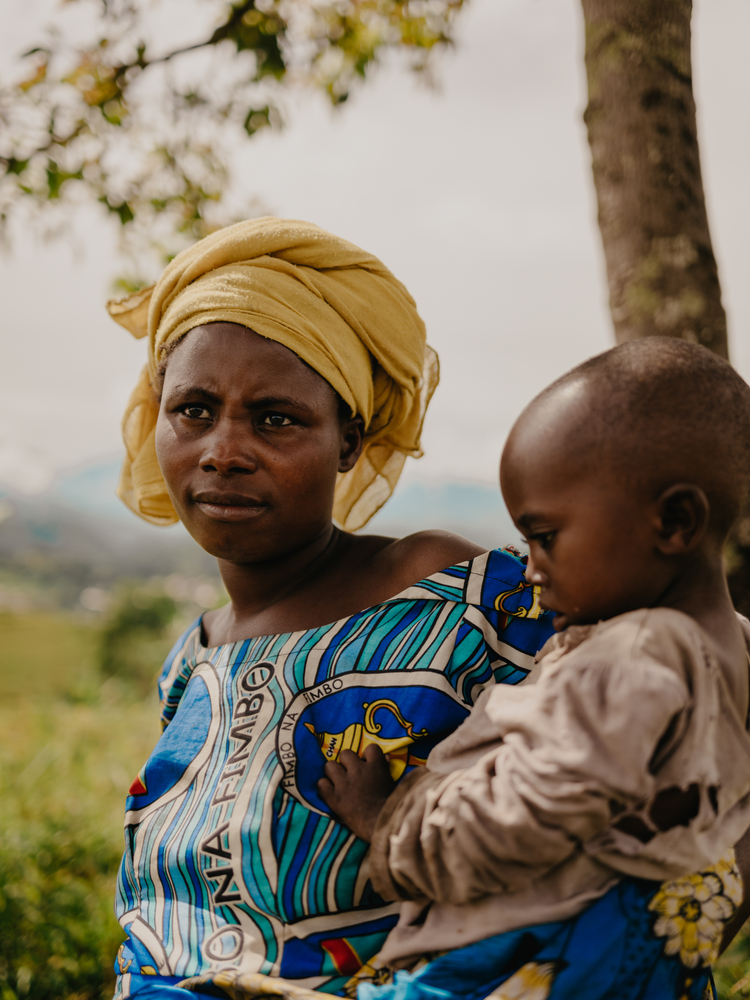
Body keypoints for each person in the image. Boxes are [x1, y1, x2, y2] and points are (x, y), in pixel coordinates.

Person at [106, 218, 555, 1000]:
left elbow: (669, 703)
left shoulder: (443, 590)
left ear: (347, 441)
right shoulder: (193, 661)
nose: (223, 450)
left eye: (276, 418)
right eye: (194, 410)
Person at [320, 338, 750, 1000]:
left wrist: (389, 825)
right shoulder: (730, 654)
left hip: (523, 961)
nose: (530, 569)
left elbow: (533, 814)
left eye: (545, 537)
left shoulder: (636, 655)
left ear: (674, 521)